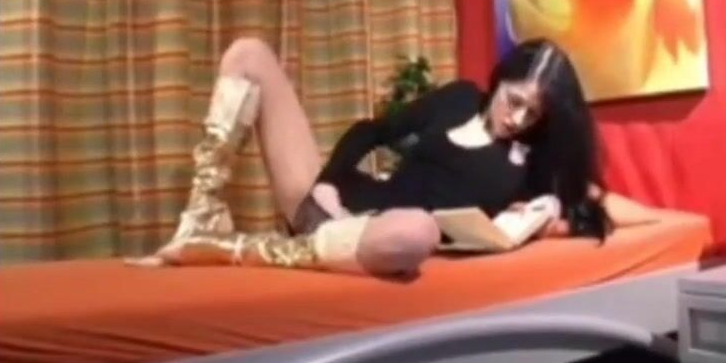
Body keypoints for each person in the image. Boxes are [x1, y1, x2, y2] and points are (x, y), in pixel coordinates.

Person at [131, 37, 613, 276]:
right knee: (249, 53)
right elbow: (372, 131)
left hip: (379, 238)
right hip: (336, 210)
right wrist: (330, 184)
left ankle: (227, 250)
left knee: (417, 230)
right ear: (501, 79)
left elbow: (600, 200)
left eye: (533, 113)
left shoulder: (527, 166)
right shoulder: (459, 98)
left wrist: (551, 210)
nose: (518, 118)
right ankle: (201, 219)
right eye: (515, 101)